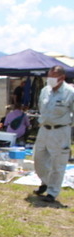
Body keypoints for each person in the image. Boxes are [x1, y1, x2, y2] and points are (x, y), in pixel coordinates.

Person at [33, 65, 74, 203]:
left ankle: (52, 192)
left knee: (58, 163)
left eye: (53, 77)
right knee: (39, 159)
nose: (49, 79)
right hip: (44, 129)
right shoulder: (45, 91)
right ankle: (45, 182)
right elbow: (40, 106)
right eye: (48, 76)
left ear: (61, 78)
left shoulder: (70, 92)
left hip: (61, 130)